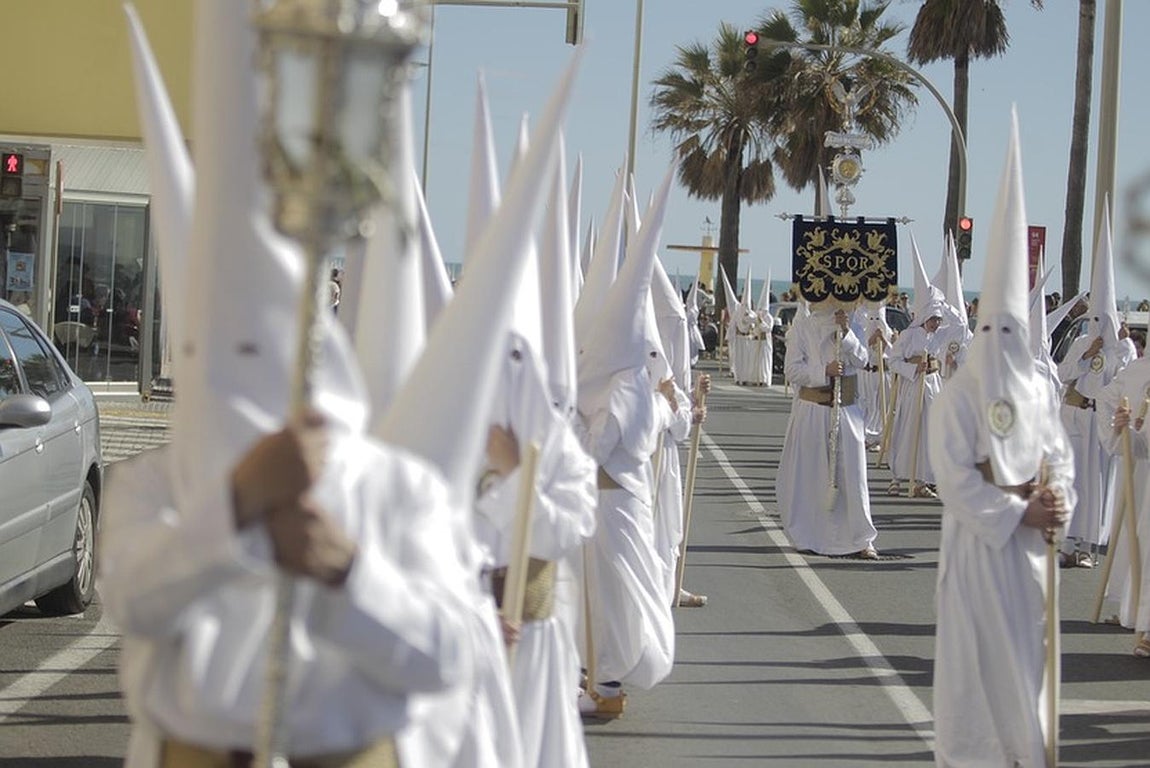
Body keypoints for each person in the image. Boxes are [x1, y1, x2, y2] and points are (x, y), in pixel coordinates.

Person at [104, 4, 478, 766]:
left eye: (254, 351)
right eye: (213, 354)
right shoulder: (153, 484)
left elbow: (450, 653)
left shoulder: (395, 487)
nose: (236, 380)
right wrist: (234, 508)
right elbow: (133, 601)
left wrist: (348, 570)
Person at [930, 115, 1074, 766]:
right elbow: (955, 477)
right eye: (990, 330)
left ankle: (1021, 751)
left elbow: (1059, 457)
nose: (997, 344)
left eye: (1009, 332)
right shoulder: (960, 396)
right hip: (978, 549)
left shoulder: (1039, 392)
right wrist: (1018, 510)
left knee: (1025, 659)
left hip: (1027, 557)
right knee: (975, 663)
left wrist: (1058, 499)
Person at [1057, 211, 1132, 568]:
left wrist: (1119, 349)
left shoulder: (1123, 352)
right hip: (1076, 418)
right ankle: (1067, 543)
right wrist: (1086, 356)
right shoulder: (1080, 344)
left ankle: (1087, 545)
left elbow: (1125, 384)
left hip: (1099, 423)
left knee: (1096, 483)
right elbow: (1063, 375)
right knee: (1072, 481)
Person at [777, 300, 878, 558]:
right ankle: (811, 534)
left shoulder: (854, 324)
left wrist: (847, 334)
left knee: (852, 474)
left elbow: (863, 359)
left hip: (847, 409)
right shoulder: (803, 326)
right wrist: (824, 371)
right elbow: (792, 370)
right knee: (814, 474)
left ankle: (859, 538)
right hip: (814, 409)